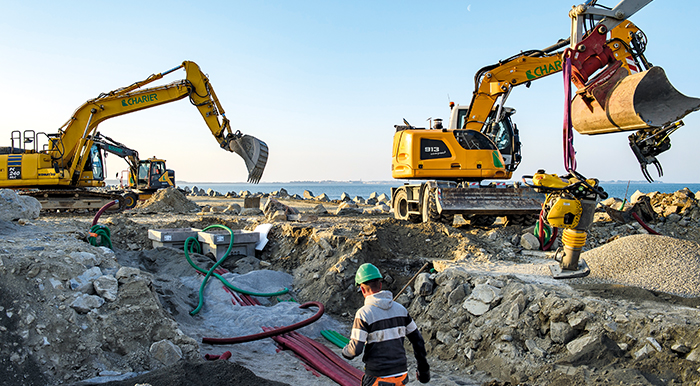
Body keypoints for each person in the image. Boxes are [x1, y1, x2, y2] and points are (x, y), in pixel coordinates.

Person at [342, 263, 430, 386]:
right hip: (401, 377)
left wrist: (345, 351)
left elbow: (355, 350)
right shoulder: (401, 310)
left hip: (377, 378)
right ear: (380, 285)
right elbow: (418, 341)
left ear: (362, 289)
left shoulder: (364, 314)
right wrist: (423, 372)